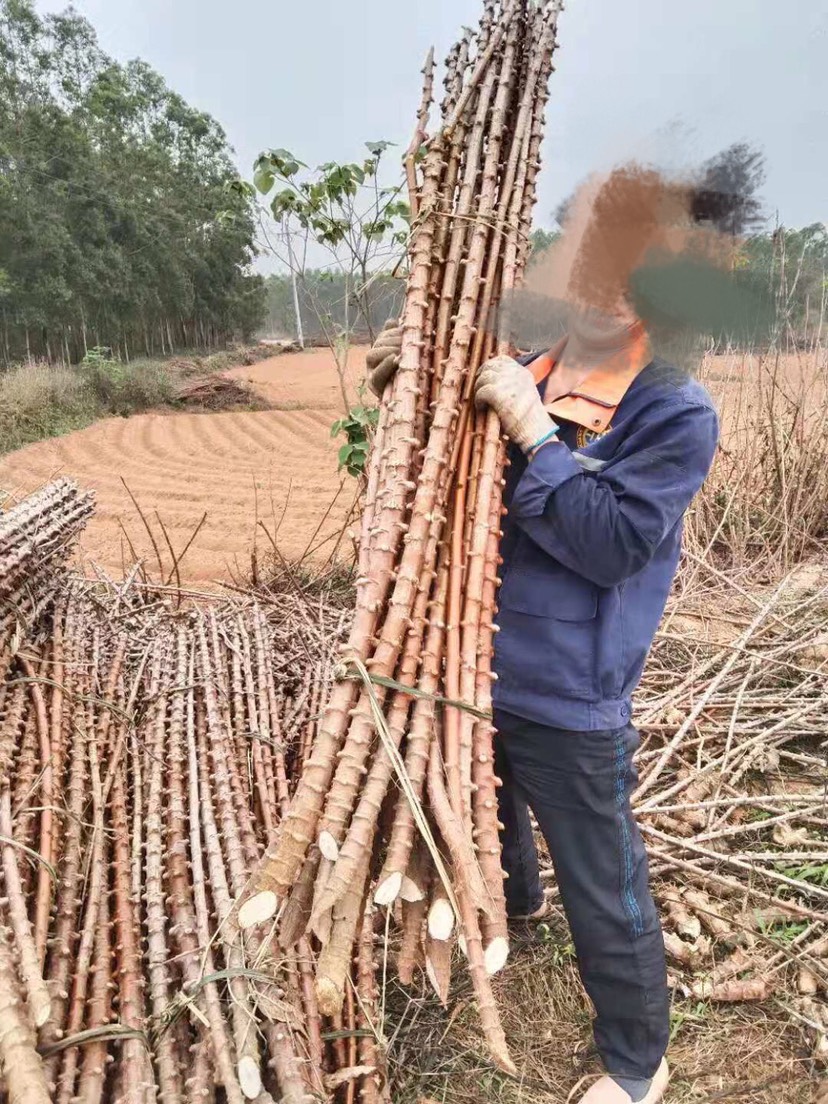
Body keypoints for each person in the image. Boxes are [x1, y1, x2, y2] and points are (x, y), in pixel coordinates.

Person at [365, 168, 721, 1104]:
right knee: (494, 807)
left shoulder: (672, 408)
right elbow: (435, 501)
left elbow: (609, 546)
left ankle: (639, 1062)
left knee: (601, 875)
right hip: (469, 662)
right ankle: (512, 911)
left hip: (572, 683)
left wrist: (537, 437)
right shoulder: (527, 365)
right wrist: (409, 399)